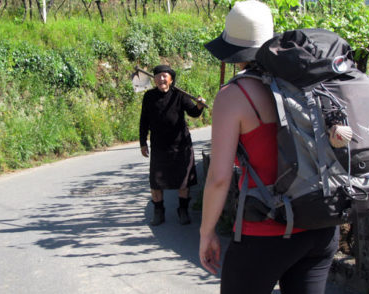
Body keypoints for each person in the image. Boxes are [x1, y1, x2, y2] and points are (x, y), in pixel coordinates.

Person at [199, 1, 339, 294]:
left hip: (265, 232)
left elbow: (219, 177)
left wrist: (206, 231)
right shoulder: (311, 81)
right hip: (321, 225)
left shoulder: (235, 95)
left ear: (234, 53)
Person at [139, 64, 206, 226]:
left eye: (165, 76)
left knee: (184, 182)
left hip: (181, 146)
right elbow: (144, 121)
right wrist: (143, 142)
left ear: (171, 79)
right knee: (156, 182)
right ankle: (158, 211)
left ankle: (183, 210)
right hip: (159, 147)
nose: (161, 78)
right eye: (158, 76)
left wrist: (199, 105)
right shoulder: (149, 96)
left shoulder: (179, 95)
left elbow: (194, 113)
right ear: (154, 79)